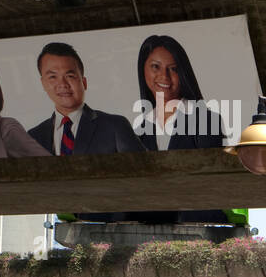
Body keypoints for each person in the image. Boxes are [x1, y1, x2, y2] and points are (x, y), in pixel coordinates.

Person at [128, 35, 228, 224]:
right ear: (143, 70)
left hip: (194, 225)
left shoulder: (206, 119)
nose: (164, 76)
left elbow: (208, 182)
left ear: (183, 73)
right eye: (155, 67)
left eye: (173, 69)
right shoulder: (139, 128)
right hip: (148, 228)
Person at [27, 41, 142, 156]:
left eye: (70, 76)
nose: (62, 84)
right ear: (43, 84)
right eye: (53, 77)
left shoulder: (115, 126)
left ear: (84, 82)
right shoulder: (33, 138)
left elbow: (145, 169)